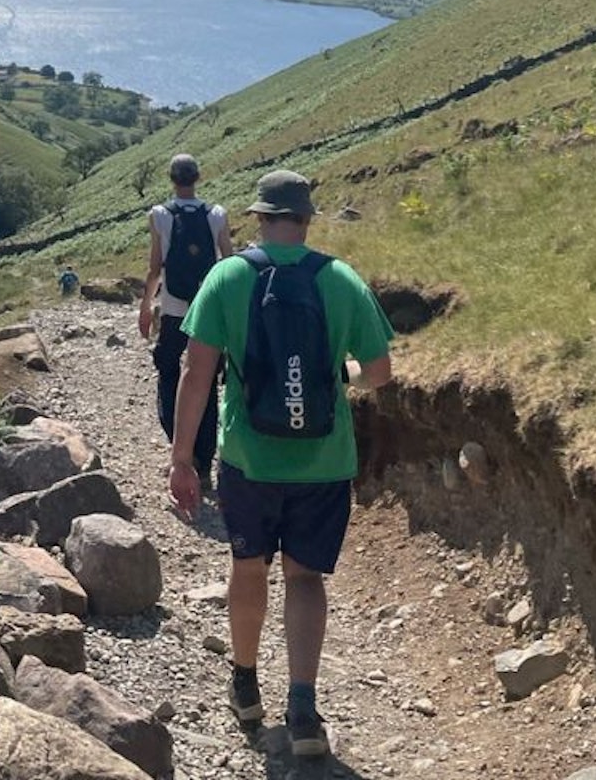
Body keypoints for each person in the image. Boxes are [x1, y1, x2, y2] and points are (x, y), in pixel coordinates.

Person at [168, 169, 393, 757]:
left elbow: (195, 374)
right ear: (307, 218)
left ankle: (245, 686)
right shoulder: (341, 280)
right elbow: (378, 374)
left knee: (248, 569)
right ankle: (303, 708)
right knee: (304, 577)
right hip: (323, 464)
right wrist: (331, 375)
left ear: (260, 216)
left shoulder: (228, 277)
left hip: (248, 459)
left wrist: (182, 459)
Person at [138, 154, 233, 489]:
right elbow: (228, 264)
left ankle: (179, 445)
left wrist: (147, 307)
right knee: (206, 381)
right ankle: (204, 460)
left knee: (169, 373)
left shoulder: (160, 215)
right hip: (208, 311)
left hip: (174, 309)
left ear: (171, 179)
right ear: (198, 177)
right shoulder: (216, 214)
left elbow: (155, 267)